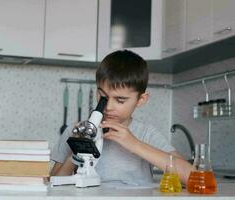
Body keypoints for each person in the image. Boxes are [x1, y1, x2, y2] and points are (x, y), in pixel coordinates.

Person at [51, 50, 193, 184]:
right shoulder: (76, 131)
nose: (108, 107)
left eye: (120, 100)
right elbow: (53, 183)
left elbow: (192, 177)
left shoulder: (147, 134)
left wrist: (134, 144)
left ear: (140, 100)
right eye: (103, 96)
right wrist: (75, 151)